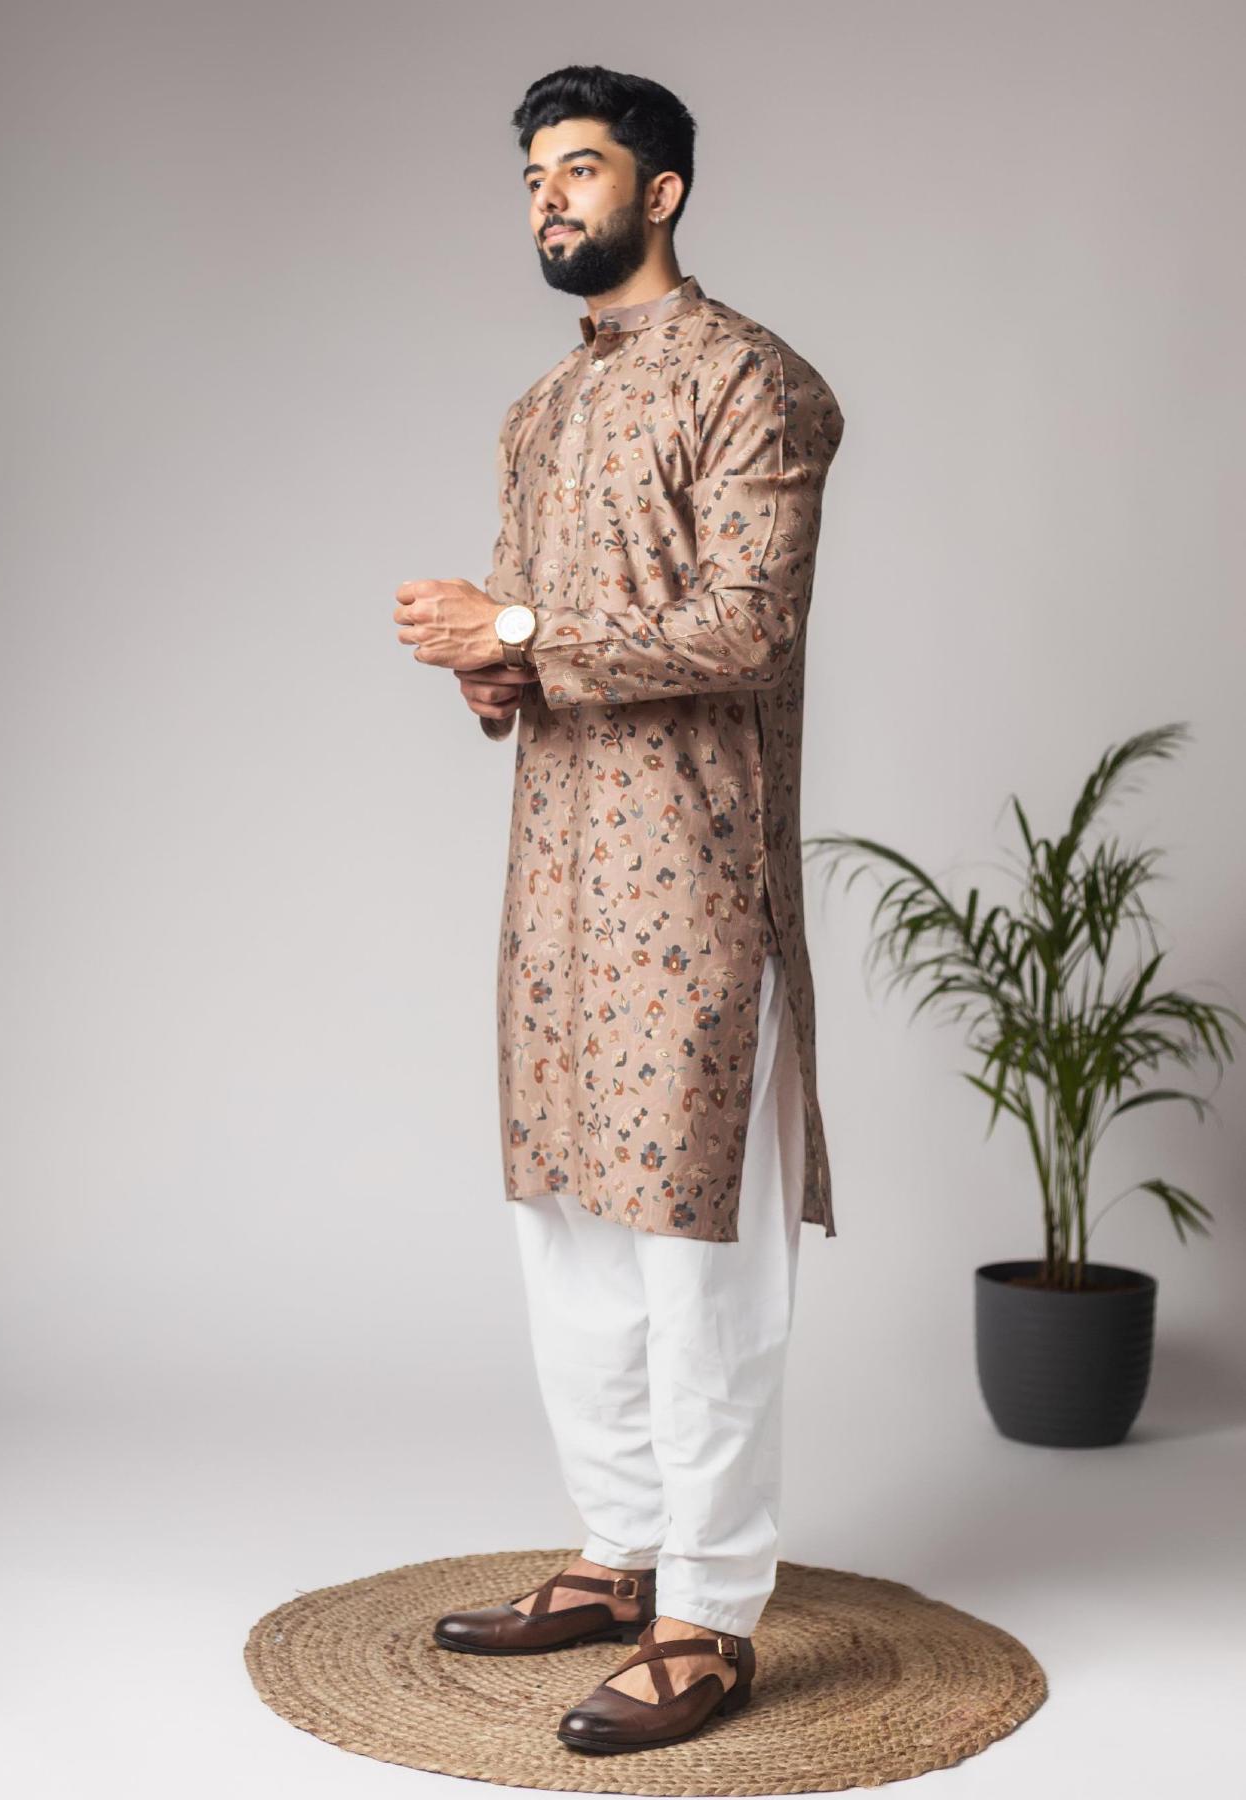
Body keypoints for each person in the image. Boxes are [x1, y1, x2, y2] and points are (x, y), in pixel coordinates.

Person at [392, 63, 845, 1755]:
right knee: (567, 1234)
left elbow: (745, 626)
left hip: (699, 887)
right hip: (556, 888)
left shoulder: (756, 383)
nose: (548, 201)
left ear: (662, 192)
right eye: (532, 178)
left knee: (693, 1261)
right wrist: (488, 675)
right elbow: (542, 631)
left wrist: (516, 629)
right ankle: (617, 1550)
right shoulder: (540, 407)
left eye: (578, 171)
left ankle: (709, 1612)